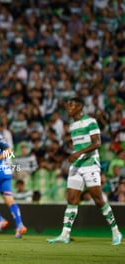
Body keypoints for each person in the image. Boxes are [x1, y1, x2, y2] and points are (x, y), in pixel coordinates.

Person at [47, 97, 122, 245]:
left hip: (90, 164)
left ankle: (116, 231)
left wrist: (77, 153)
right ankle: (65, 234)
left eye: (71, 105)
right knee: (72, 199)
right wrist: (76, 155)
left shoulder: (91, 121)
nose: (68, 108)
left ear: (80, 107)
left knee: (98, 199)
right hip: (77, 165)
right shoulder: (73, 125)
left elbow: (97, 143)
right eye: (67, 105)